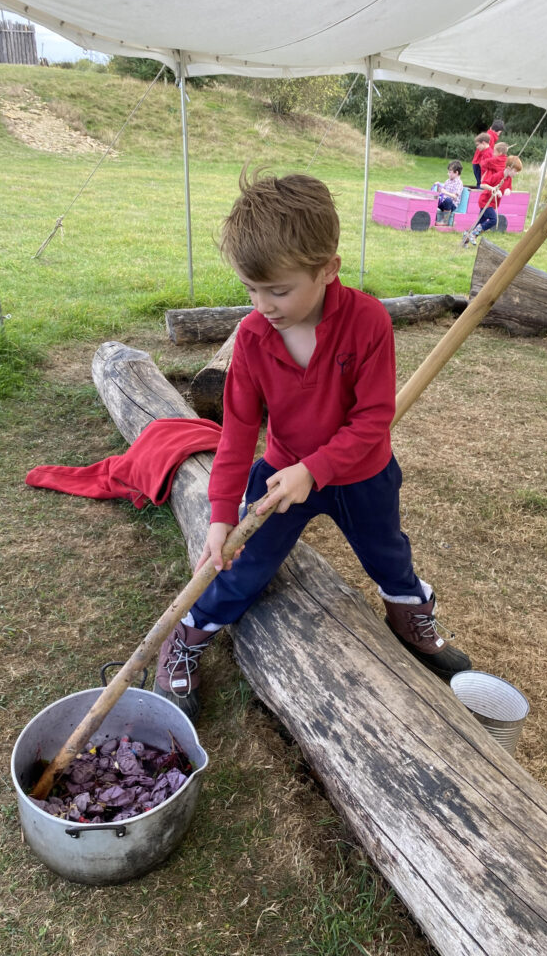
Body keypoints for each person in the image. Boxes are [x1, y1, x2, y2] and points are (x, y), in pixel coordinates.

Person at [154, 169, 472, 722]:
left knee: (390, 558)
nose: (263, 305)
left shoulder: (369, 321)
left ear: (328, 269)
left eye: (278, 290)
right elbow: (235, 435)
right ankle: (184, 640)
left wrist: (317, 469)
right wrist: (220, 515)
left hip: (363, 474)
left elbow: (374, 418)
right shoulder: (253, 338)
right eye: (250, 289)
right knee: (240, 567)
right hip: (280, 477)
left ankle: (410, 618)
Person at [462, 156, 522, 247]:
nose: (516, 173)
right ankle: (474, 234)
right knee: (493, 220)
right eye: (515, 171)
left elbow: (509, 188)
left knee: (480, 222)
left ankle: (466, 237)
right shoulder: (498, 176)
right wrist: (493, 189)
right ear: (509, 168)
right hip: (485, 201)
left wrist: (508, 191)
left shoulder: (509, 179)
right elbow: (483, 184)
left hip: (493, 204)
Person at [471, 119, 505, 187]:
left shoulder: (488, 134)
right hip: (479, 163)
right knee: (481, 183)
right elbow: (489, 154)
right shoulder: (490, 137)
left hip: (477, 162)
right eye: (500, 133)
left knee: (480, 182)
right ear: (499, 131)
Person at [432, 160, 464, 224]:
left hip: (452, 204)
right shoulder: (448, 181)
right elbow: (441, 192)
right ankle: (432, 218)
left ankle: (445, 221)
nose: (448, 174)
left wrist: (445, 192)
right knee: (435, 198)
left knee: (448, 200)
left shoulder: (459, 183)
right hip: (443, 202)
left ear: (456, 173)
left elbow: (455, 196)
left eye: (450, 172)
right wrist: (438, 186)